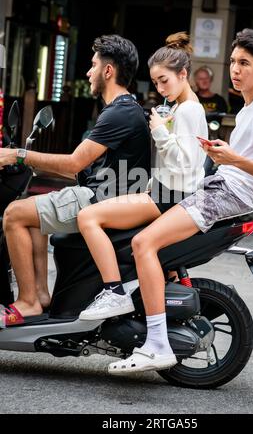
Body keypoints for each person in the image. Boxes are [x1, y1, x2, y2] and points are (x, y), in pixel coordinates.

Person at [106, 28, 253, 375]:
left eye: (245, 63)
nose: (235, 70)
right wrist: (222, 157)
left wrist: (233, 159)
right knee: (149, 233)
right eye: (233, 61)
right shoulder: (250, 107)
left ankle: (157, 344)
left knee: (143, 243)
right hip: (220, 185)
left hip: (228, 195)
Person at [0, 34, 151, 325]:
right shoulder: (125, 109)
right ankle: (40, 295)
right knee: (33, 214)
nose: (88, 72)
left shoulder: (119, 113)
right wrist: (35, 163)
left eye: (93, 65)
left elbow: (74, 163)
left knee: (14, 214)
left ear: (109, 71)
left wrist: (17, 155)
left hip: (100, 199)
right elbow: (79, 167)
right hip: (105, 193)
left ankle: (28, 301)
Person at [76, 31, 208, 321]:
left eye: (165, 80)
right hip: (162, 193)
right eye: (157, 81)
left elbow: (185, 163)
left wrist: (159, 130)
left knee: (88, 217)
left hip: (168, 199)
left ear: (183, 74)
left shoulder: (188, 111)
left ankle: (114, 293)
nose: (160, 88)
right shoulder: (180, 107)